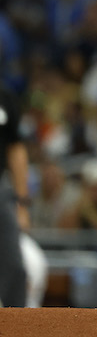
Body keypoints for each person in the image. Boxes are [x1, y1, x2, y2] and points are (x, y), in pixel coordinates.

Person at [0, 82, 30, 307]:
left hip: (1, 189)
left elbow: (16, 148)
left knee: (15, 267)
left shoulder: (5, 96)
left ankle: (13, 328)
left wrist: (21, 203)